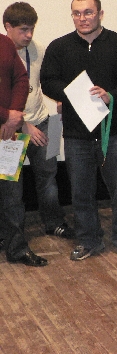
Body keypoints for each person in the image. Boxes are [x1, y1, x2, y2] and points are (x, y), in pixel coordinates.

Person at [40, 0, 117, 261]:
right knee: (81, 193)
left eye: (88, 12)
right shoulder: (59, 47)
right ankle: (88, 241)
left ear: (100, 14)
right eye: (77, 13)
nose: (82, 18)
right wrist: (72, 93)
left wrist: (112, 95)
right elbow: (48, 81)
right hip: (76, 135)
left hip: (113, 133)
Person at [3, 2, 75, 240]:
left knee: (49, 177)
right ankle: (14, 236)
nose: (29, 35)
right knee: (11, 186)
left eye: (32, 28)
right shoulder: (3, 55)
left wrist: (61, 99)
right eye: (23, 30)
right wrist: (24, 126)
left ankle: (54, 222)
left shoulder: (39, 49)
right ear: (8, 27)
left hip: (45, 121)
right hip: (11, 129)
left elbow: (48, 80)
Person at [0, 33, 48, 266]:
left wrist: (14, 116)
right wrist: (5, 115)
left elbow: (21, 79)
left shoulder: (4, 43)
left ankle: (17, 248)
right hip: (6, 122)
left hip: (8, 133)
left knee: (12, 193)